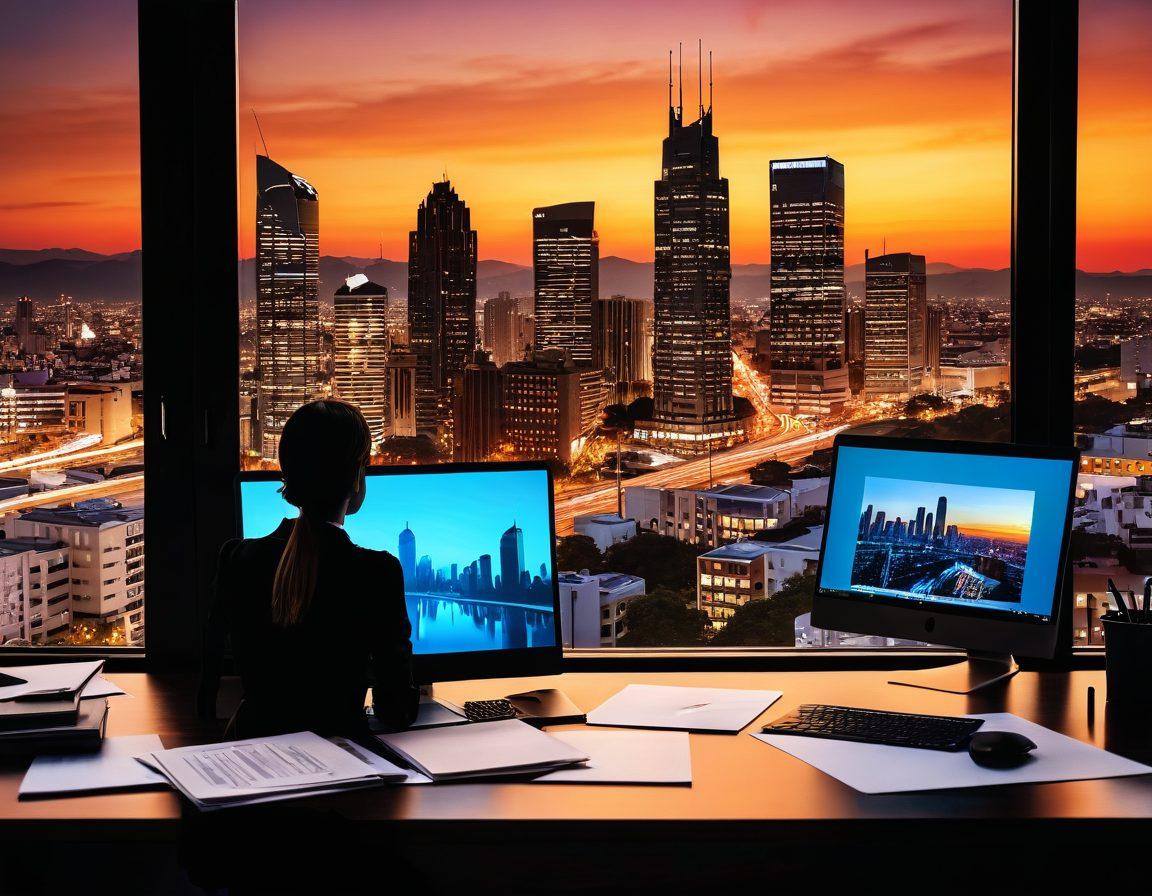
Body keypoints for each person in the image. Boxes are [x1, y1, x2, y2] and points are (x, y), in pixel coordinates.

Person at [199, 400, 418, 738]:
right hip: (342, 767)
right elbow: (397, 711)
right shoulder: (377, 573)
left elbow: (208, 698)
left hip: (253, 758)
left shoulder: (237, 557)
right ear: (358, 476)